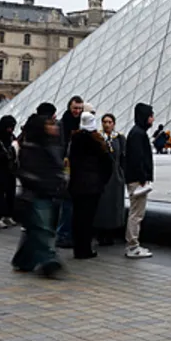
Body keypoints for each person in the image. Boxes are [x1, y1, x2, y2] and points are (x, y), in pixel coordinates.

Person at [12, 115, 66, 277]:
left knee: (34, 230)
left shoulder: (52, 145)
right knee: (42, 229)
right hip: (36, 194)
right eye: (50, 124)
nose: (54, 126)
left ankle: (23, 261)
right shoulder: (32, 147)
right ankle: (49, 261)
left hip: (48, 192)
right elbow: (25, 171)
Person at [67, 111, 113, 260]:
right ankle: (85, 249)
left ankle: (77, 248)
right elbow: (108, 164)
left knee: (77, 217)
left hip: (76, 186)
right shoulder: (97, 141)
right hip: (92, 187)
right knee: (88, 219)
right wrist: (102, 181)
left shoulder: (74, 140)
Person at [124, 103, 155, 258]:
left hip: (136, 179)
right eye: (151, 115)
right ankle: (133, 246)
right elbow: (138, 158)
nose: (153, 119)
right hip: (138, 181)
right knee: (136, 214)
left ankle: (133, 244)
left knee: (135, 212)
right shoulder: (138, 134)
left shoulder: (137, 132)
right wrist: (143, 178)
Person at [55, 96, 84, 250]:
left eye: (80, 108)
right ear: (69, 107)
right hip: (65, 168)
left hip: (78, 169)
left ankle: (67, 234)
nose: (77, 111)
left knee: (70, 205)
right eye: (75, 108)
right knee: (66, 204)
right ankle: (63, 235)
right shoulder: (61, 125)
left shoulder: (83, 124)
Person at [93, 113, 126, 246]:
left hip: (115, 176)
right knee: (102, 206)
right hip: (102, 177)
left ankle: (111, 233)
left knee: (114, 205)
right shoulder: (97, 138)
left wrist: (122, 174)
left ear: (114, 124)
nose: (107, 124)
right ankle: (101, 233)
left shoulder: (119, 138)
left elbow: (124, 157)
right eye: (105, 122)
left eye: (110, 122)